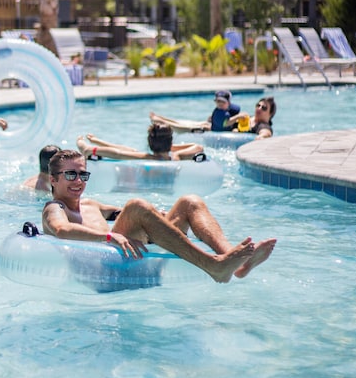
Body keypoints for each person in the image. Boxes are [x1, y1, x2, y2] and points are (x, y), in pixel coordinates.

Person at [42, 150, 276, 283]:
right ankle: (212, 265)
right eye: (71, 175)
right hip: (102, 271)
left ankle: (234, 261)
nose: (79, 181)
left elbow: (120, 213)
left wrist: (157, 215)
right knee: (136, 205)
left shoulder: (91, 204)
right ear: (53, 179)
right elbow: (62, 230)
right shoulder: (55, 208)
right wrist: (108, 237)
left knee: (189, 202)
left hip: (127, 256)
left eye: (83, 175)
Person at [76, 123, 205, 161]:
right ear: (170, 143)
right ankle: (97, 141)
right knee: (133, 151)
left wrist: (87, 148)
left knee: (133, 152)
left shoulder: (146, 158)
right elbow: (197, 147)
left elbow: (118, 153)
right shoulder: (176, 157)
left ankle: (88, 143)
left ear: (150, 143)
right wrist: (170, 148)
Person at [150, 89, 241, 134]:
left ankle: (160, 118)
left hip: (209, 127)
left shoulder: (230, 109)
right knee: (181, 127)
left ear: (228, 102)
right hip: (205, 131)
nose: (220, 104)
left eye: (223, 102)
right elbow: (226, 123)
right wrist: (237, 117)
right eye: (218, 102)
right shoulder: (221, 112)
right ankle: (161, 120)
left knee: (192, 124)